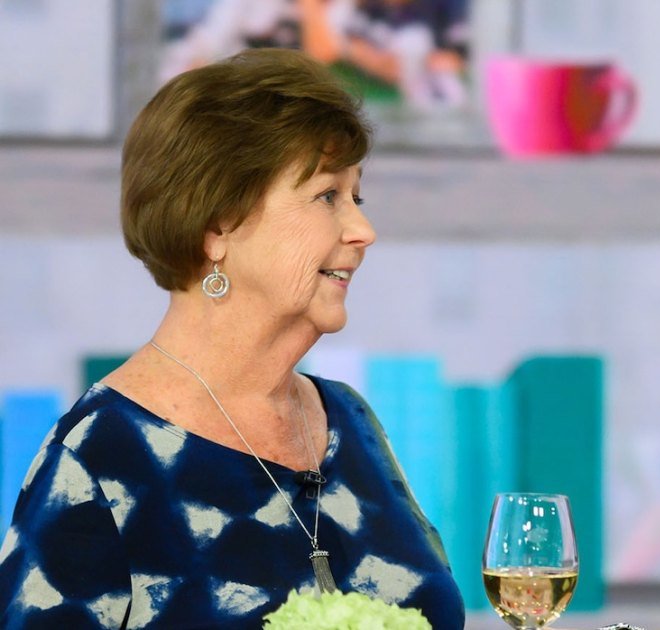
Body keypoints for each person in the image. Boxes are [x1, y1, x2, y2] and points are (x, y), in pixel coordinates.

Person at [0, 48, 465, 628]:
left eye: (357, 197)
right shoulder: (99, 456)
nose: (363, 230)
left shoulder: (351, 419)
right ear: (218, 223)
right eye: (328, 196)